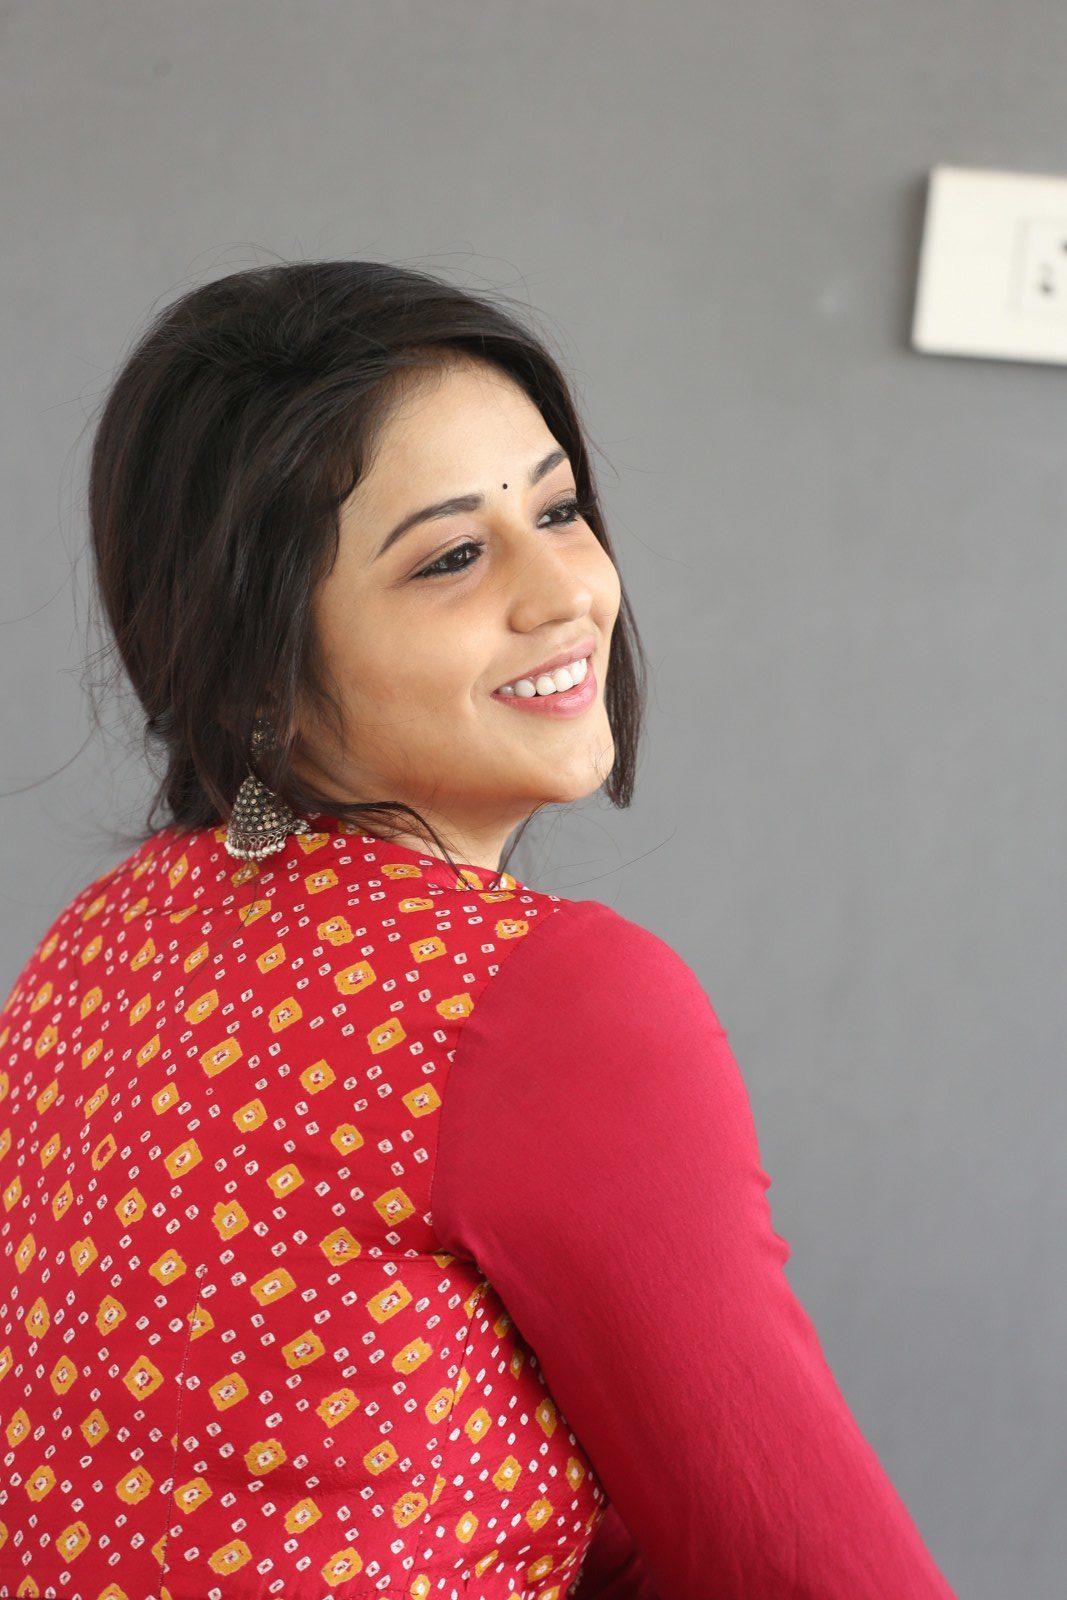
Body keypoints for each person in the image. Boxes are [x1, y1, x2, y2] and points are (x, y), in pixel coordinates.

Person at [0, 261, 958, 1600]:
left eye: (557, 509)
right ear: (257, 672)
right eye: (452, 556)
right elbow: (808, 1568)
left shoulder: (99, 940)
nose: (564, 590)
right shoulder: (542, 1003)